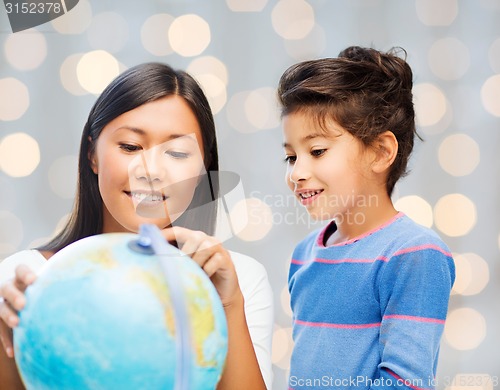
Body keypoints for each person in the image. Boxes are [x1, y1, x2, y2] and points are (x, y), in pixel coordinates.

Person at [0, 63, 273, 389]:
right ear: (93, 154)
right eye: (130, 147)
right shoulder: (25, 279)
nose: (151, 170)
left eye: (176, 152)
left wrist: (229, 305)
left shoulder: (240, 280)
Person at [278, 46, 455, 389]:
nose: (297, 172)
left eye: (317, 151)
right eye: (290, 157)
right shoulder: (304, 254)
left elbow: (405, 383)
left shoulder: (414, 253)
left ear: (380, 152)